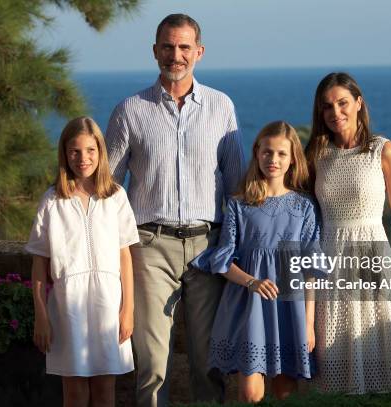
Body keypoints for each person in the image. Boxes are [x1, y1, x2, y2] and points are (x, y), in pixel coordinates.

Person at [104, 14, 245, 407]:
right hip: (149, 246)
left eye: (184, 47)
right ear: (155, 51)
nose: (176, 55)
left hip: (209, 247)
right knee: (152, 366)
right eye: (168, 46)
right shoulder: (130, 110)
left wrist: (239, 249)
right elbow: (109, 188)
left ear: (199, 52)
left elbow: (236, 185)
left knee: (209, 364)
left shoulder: (221, 107)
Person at [305, 72, 391, 394]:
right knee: (334, 342)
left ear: (358, 103)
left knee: (377, 340)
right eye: (327, 106)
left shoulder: (383, 150)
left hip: (373, 257)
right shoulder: (317, 154)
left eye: (342, 103)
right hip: (330, 258)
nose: (335, 112)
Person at [191, 121, 319, 403]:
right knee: (250, 394)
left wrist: (309, 323)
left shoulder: (305, 207)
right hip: (249, 305)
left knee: (285, 393)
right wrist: (252, 281)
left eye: (281, 154)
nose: (273, 160)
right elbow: (222, 260)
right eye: (267, 152)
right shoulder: (240, 203)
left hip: (290, 307)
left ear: (292, 158)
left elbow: (311, 269)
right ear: (257, 153)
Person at [27, 116, 139, 407]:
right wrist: (41, 315)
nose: (83, 158)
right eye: (75, 151)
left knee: (105, 391)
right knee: (74, 394)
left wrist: (127, 309)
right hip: (67, 307)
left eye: (90, 150)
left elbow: (125, 256)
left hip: (108, 306)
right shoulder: (52, 201)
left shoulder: (115, 197)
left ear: (101, 152)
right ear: (64, 153)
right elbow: (39, 264)